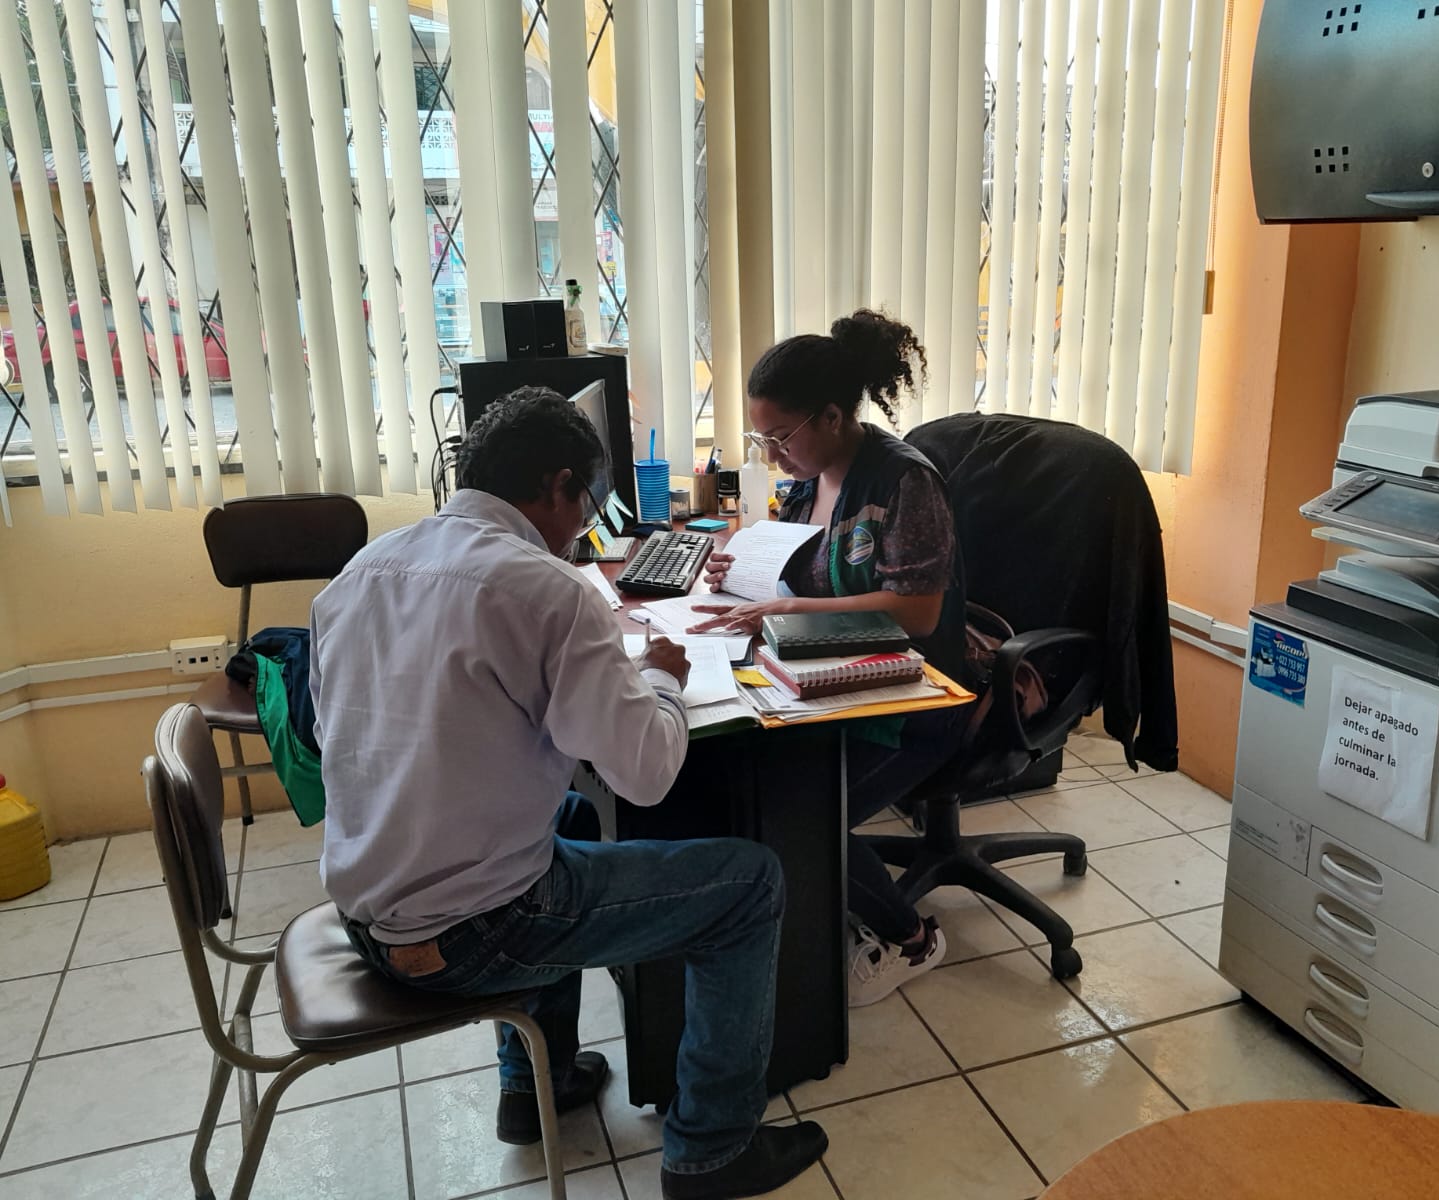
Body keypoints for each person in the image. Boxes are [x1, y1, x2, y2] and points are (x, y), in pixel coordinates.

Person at [310, 387, 826, 1199]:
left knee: (575, 815)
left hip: (366, 912)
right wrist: (659, 680)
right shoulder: (545, 589)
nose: (584, 522)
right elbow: (647, 775)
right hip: (475, 933)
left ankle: (535, 1084)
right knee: (749, 886)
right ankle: (713, 1151)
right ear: (557, 485)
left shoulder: (361, 571)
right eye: (586, 500)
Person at [688, 310, 969, 1008]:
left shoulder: (904, 483)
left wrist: (785, 610)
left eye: (781, 436)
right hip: (827, 681)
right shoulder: (811, 481)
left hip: (913, 700)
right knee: (753, 782)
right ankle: (821, 901)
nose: (773, 454)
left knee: (805, 812)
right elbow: (802, 570)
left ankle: (911, 938)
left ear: (835, 417)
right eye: (763, 438)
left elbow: (917, 613)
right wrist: (741, 570)